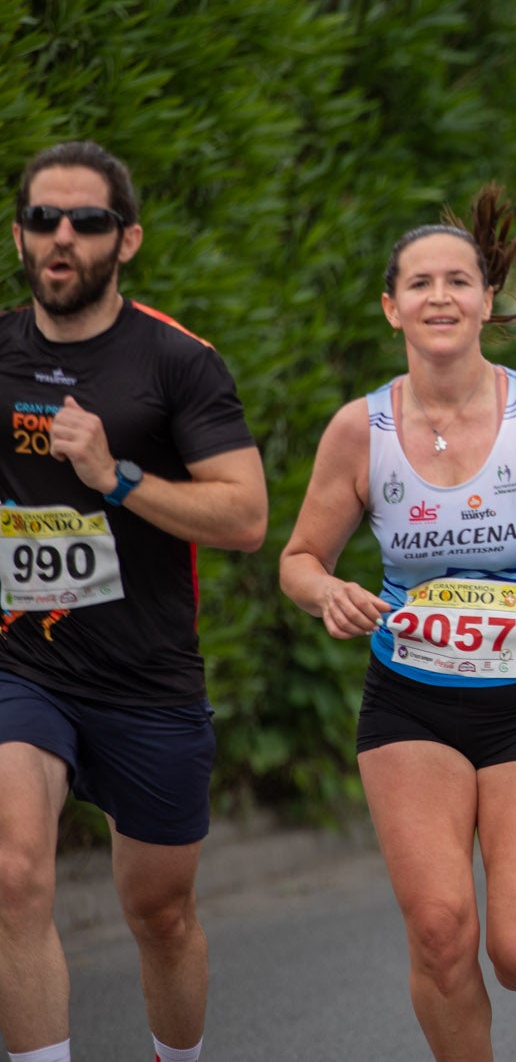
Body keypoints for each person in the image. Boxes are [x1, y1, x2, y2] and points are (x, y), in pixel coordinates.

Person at [279, 189, 516, 1062]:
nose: (440, 297)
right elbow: (298, 557)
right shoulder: (358, 430)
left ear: (486, 299)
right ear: (391, 305)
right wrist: (326, 591)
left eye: (459, 281)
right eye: (419, 283)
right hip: (409, 698)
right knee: (440, 933)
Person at [0, 142, 267, 1062]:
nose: (62, 237)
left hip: (146, 673)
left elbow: (244, 515)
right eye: (43, 219)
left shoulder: (176, 361)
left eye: (86, 221)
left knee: (161, 913)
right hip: (20, 661)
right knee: (12, 875)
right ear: (20, 234)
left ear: (129, 238)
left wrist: (113, 476)